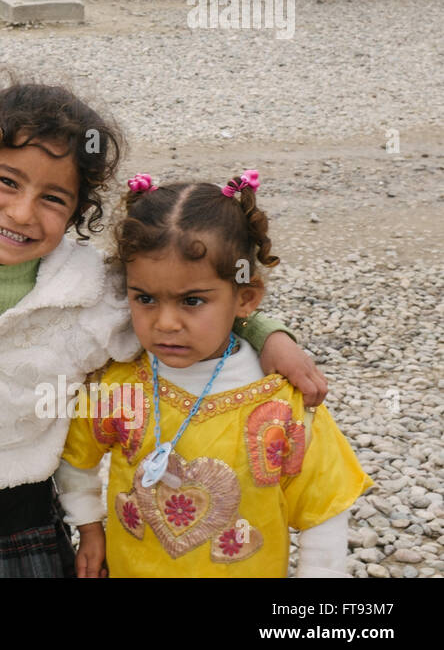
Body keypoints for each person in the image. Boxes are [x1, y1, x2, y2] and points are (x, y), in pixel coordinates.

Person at [0, 81, 325, 578]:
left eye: (53, 198)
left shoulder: (92, 290)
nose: (21, 212)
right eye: (7, 182)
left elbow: (186, 292)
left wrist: (266, 332)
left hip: (15, 524)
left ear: (78, 212)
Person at [60, 172, 371, 577]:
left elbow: (323, 509)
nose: (166, 323)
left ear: (245, 298)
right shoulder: (119, 385)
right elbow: (76, 458)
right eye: (146, 298)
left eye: (192, 300)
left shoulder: (285, 404)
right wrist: (88, 527)